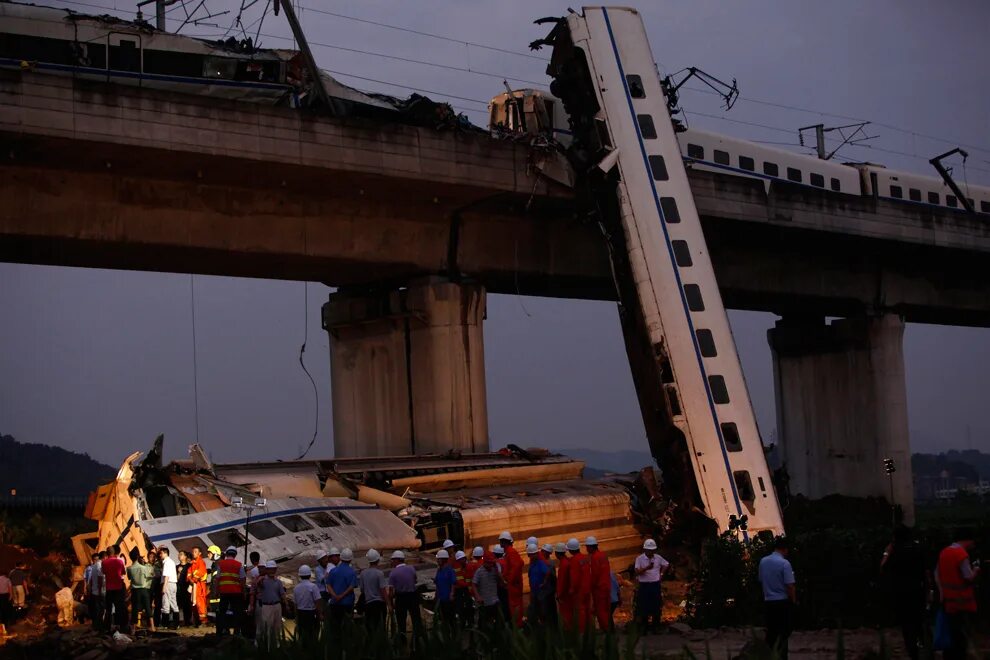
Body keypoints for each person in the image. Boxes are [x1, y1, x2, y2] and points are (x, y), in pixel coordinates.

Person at [880, 525, 926, 660]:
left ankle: (913, 650)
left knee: (907, 625)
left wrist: (886, 553)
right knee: (918, 621)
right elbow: (925, 571)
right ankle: (922, 645)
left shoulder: (895, 551)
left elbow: (883, 569)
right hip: (917, 590)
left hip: (901, 593)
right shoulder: (917, 549)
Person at [936, 528, 981, 660]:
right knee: (961, 637)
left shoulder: (944, 552)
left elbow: (937, 573)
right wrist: (976, 570)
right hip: (962, 602)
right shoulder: (961, 554)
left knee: (951, 634)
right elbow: (968, 577)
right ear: (968, 540)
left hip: (948, 601)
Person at [758, 537, 797, 660]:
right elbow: (790, 586)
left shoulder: (763, 562)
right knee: (783, 634)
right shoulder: (785, 564)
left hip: (768, 601)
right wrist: (794, 601)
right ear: (784, 549)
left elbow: (761, 580)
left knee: (771, 633)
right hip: (782, 602)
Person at [634, 539, 669, 633]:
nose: (651, 552)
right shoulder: (639, 559)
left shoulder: (658, 557)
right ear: (645, 549)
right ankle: (644, 626)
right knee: (644, 606)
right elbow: (637, 572)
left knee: (656, 605)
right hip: (644, 585)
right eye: (649, 550)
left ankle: (655, 626)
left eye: (652, 550)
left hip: (655, 584)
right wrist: (646, 568)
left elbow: (666, 564)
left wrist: (661, 574)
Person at [388, 550, 422, 642]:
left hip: (401, 598)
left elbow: (391, 592)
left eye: (393, 560)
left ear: (397, 560)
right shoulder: (411, 568)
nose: (391, 562)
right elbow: (415, 581)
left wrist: (390, 604)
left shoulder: (393, 573)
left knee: (401, 620)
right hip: (413, 596)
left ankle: (403, 639)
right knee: (416, 618)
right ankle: (417, 639)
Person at [252, 560, 285, 649]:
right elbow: (256, 588)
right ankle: (264, 645)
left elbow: (282, 594)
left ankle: (276, 646)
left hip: (276, 605)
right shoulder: (261, 580)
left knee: (276, 626)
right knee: (265, 626)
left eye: (273, 569)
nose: (272, 571)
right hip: (264, 605)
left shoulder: (277, 581)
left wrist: (286, 605)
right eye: (270, 569)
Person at [327, 548, 358, 636]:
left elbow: (328, 585)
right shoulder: (351, 572)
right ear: (351, 559)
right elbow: (351, 587)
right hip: (347, 603)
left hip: (334, 603)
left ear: (341, 557)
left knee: (336, 628)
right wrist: (341, 596)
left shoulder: (333, 571)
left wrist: (335, 596)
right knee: (347, 628)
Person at [215, 546, 246, 636]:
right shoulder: (239, 564)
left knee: (222, 612)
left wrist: (217, 591)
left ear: (227, 554)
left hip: (224, 592)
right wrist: (244, 592)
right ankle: (237, 631)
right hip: (236, 592)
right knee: (237, 612)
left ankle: (223, 630)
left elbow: (217, 579)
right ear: (235, 554)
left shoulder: (221, 564)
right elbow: (242, 579)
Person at [358, 549, 389, 633]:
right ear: (378, 560)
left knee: (371, 629)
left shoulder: (363, 573)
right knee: (380, 628)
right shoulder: (379, 573)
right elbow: (383, 590)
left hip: (368, 604)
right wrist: (389, 604)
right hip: (379, 604)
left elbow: (362, 590)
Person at [498, 531, 525, 627]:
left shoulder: (511, 552)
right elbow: (519, 563)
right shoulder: (509, 552)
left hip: (513, 586)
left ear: (504, 541)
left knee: (515, 606)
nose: (500, 543)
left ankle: (518, 627)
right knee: (514, 605)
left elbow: (517, 566)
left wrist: (509, 581)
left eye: (501, 541)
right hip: (514, 584)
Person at [586, 536, 612, 631]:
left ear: (591, 547)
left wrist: (591, 586)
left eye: (587, 547)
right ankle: (608, 628)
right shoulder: (603, 555)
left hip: (599, 588)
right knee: (606, 609)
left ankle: (605, 631)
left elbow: (595, 574)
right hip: (606, 586)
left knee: (601, 610)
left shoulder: (595, 557)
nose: (586, 549)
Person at [566, 537, 592, 632]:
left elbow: (574, 577)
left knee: (580, 610)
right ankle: (589, 628)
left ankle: (581, 630)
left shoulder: (574, 561)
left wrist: (572, 589)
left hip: (579, 590)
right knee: (587, 608)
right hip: (587, 587)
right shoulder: (584, 558)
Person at [472, 551, 503, 630]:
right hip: (484, 603)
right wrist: (478, 597)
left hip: (495, 601)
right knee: (483, 625)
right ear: (484, 562)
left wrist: (498, 571)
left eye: (491, 563)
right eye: (489, 563)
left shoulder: (494, 570)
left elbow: (501, 582)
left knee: (498, 625)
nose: (490, 565)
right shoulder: (479, 572)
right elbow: (474, 584)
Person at [293, 565, 322, 644]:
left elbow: (295, 604)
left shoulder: (296, 588)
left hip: (300, 613)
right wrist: (320, 614)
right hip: (311, 613)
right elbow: (317, 602)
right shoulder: (313, 586)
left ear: (300, 575)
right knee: (312, 634)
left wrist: (296, 616)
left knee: (302, 635)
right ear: (309, 575)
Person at [127, 552, 155, 632]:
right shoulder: (143, 568)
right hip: (143, 590)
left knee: (134, 610)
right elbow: (150, 575)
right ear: (137, 557)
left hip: (134, 591)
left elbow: (129, 578)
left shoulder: (129, 568)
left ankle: (133, 629)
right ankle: (152, 627)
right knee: (147, 608)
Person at [103, 545, 128, 633]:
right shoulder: (119, 561)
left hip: (109, 588)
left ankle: (107, 627)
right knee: (119, 607)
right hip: (118, 587)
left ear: (107, 553)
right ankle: (120, 626)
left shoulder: (104, 562)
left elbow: (104, 572)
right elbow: (123, 573)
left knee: (108, 608)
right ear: (114, 552)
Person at [526, 543, 550, 625]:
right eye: (530, 555)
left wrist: (544, 582)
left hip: (540, 591)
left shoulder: (540, 563)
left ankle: (543, 623)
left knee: (541, 609)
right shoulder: (532, 563)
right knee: (535, 608)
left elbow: (547, 572)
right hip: (534, 590)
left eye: (532, 555)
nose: (531, 557)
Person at [433, 549, 457, 626]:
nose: (437, 561)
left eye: (439, 559)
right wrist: (436, 595)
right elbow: (437, 583)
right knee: (443, 619)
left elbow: (453, 583)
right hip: (441, 599)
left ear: (444, 559)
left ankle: (454, 634)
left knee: (450, 619)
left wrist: (452, 594)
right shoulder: (439, 570)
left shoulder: (450, 570)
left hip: (448, 599)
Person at [453, 550, 473, 628]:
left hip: (468, 591)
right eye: (461, 559)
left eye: (463, 559)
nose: (463, 560)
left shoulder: (469, 567)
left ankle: (470, 622)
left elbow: (471, 579)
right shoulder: (456, 569)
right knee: (460, 608)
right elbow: (459, 581)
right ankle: (463, 623)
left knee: (469, 608)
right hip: (461, 591)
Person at [189, 547, 209, 626]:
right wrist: (190, 579)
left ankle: (203, 620)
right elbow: (189, 573)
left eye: (195, 551)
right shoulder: (193, 563)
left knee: (201, 602)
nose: (193, 553)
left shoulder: (201, 562)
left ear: (200, 553)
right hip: (195, 584)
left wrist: (193, 579)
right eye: (193, 551)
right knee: (195, 602)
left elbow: (201, 572)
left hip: (200, 585)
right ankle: (197, 620)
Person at [555, 542, 572, 629]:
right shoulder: (567, 561)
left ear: (557, 553)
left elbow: (561, 581)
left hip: (565, 595)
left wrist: (559, 594)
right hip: (568, 592)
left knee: (566, 613)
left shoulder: (564, 564)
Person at [85, 552, 105, 630]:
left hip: (94, 591)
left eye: (97, 559)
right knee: (99, 609)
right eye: (95, 559)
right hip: (96, 591)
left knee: (97, 609)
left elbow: (91, 580)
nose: (96, 561)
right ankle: (98, 625)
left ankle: (96, 625)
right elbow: (89, 580)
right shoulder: (94, 567)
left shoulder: (93, 567)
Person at [176, 551, 192, 626]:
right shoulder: (177, 567)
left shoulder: (189, 566)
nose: (179, 556)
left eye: (181, 554)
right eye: (179, 555)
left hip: (188, 587)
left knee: (187, 605)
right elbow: (176, 579)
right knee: (178, 605)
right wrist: (179, 572)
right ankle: (178, 621)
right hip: (179, 587)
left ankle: (188, 621)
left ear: (185, 556)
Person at [0, 568, 12, 637]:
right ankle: (4, 628)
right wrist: (10, 597)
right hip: (5, 596)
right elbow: (10, 589)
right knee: (5, 611)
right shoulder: (8, 580)